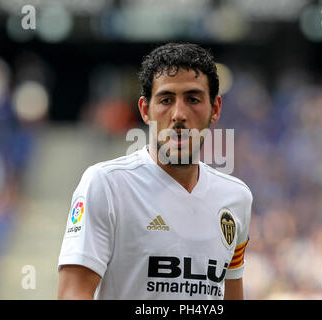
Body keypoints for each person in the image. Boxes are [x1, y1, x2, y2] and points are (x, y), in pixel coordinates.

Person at [57, 43, 253, 299]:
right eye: (166, 100)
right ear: (145, 110)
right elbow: (73, 294)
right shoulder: (106, 185)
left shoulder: (236, 198)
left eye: (193, 99)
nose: (179, 114)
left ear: (215, 109)